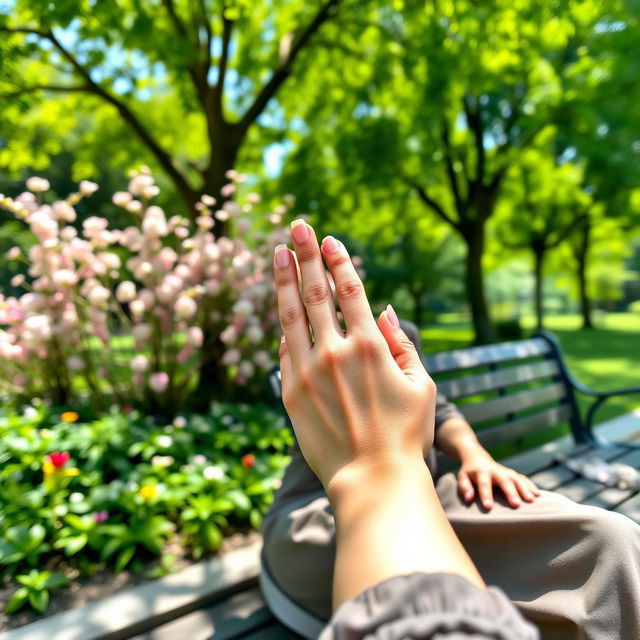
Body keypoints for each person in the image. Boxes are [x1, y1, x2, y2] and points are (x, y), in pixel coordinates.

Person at [262, 220, 640, 639]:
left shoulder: (397, 335)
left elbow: (437, 409)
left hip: (423, 487)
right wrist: (375, 465)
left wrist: (475, 454)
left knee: (611, 543)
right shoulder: (313, 361)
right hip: (318, 515)